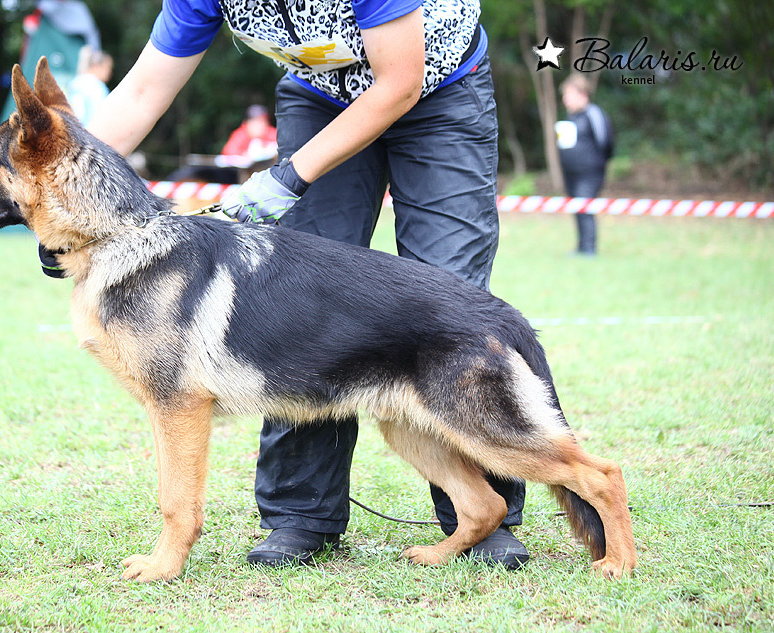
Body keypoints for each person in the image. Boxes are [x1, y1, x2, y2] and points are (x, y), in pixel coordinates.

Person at [78, 0, 529, 570]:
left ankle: (483, 518)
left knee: (448, 293)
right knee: (297, 302)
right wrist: (73, 190)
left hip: (438, 90)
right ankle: (301, 515)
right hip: (320, 98)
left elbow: (399, 83)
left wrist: (287, 177)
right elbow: (142, 92)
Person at [556, 74, 614, 256]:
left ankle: (589, 249)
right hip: (571, 174)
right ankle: (581, 246)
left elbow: (606, 142)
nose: (566, 100)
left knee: (585, 208)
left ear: (582, 94)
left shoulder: (593, 114)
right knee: (577, 209)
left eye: (569, 94)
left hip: (590, 173)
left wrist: (599, 164)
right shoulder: (571, 117)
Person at [66, 46, 114, 124]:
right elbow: (100, 117)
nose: (110, 73)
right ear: (97, 66)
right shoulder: (97, 87)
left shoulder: (74, 83)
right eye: (108, 68)